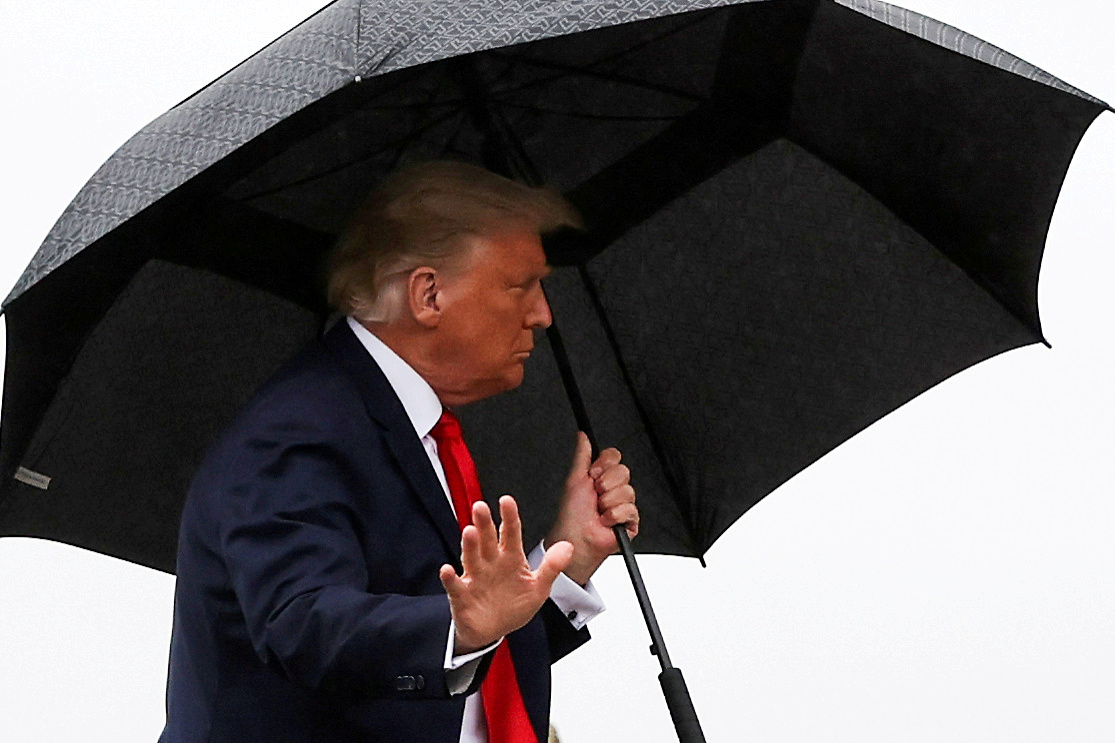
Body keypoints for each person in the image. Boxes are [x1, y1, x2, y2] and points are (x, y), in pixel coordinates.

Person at [159, 161, 639, 743]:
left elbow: (455, 678)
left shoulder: (406, 421)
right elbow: (303, 624)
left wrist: (568, 556)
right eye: (519, 285)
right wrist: (459, 629)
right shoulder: (295, 431)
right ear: (429, 294)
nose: (542, 313)